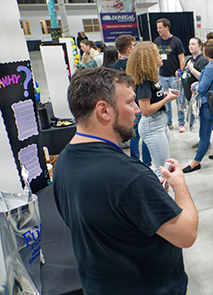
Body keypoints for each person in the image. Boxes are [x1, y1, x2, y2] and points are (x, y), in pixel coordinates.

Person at [52, 67, 198, 294]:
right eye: (130, 103)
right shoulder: (131, 176)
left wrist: (142, 202)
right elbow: (186, 234)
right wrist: (179, 186)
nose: (138, 110)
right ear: (104, 110)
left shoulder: (63, 161)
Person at [126, 41, 179, 177]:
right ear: (148, 59)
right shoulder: (144, 82)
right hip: (152, 124)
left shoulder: (151, 78)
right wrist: (167, 99)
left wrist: (165, 95)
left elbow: (152, 100)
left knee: (166, 167)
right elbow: (146, 110)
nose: (161, 56)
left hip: (159, 123)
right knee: (163, 171)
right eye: (157, 54)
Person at [183, 40, 213, 173]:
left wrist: (195, 85)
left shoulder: (210, 67)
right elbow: (205, 79)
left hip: (207, 104)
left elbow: (201, 88)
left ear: (206, 52)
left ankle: (196, 162)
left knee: (204, 135)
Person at [112, 35, 151, 166]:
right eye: (133, 46)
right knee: (145, 133)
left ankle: (135, 161)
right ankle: (147, 162)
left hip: (126, 105)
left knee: (134, 134)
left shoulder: (115, 66)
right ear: (129, 49)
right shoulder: (135, 66)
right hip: (139, 102)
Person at [154, 18, 186, 132]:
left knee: (179, 100)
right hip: (162, 76)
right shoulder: (157, 41)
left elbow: (181, 59)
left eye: (160, 28)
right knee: (165, 100)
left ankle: (181, 123)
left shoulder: (176, 41)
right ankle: (168, 123)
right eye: (157, 28)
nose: (158, 30)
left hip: (174, 76)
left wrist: (180, 73)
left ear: (167, 27)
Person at [182, 37, 209, 133]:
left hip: (199, 98)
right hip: (190, 97)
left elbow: (203, 78)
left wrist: (192, 68)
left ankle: (205, 141)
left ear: (200, 46)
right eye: (189, 44)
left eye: (193, 44)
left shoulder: (202, 60)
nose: (191, 46)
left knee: (202, 122)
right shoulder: (190, 59)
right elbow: (186, 72)